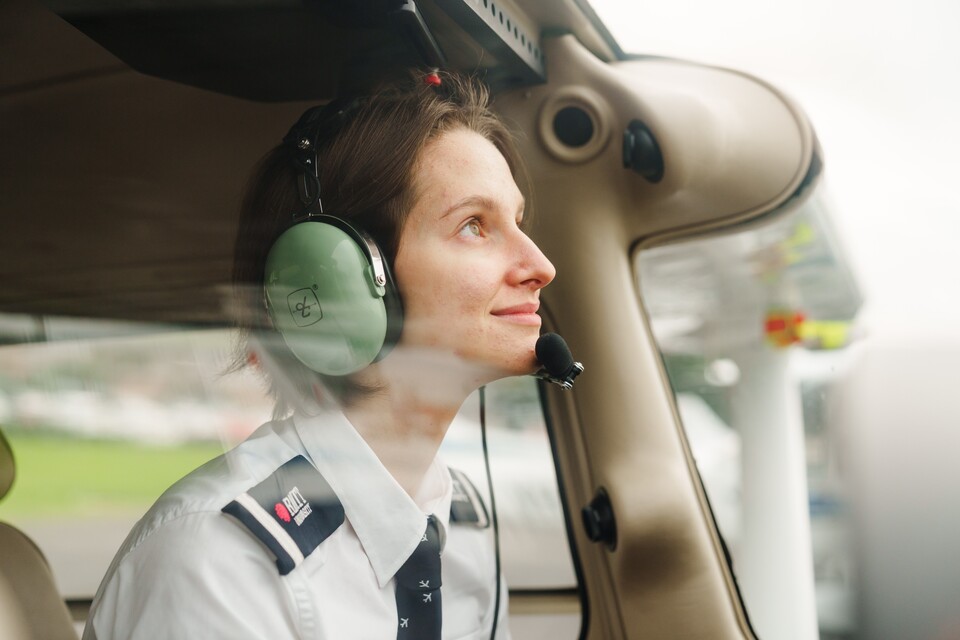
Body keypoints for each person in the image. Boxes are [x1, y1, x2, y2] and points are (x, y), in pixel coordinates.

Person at [83, 69, 555, 639]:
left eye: (518, 222)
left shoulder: (461, 525)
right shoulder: (221, 562)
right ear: (339, 282)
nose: (540, 267)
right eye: (474, 226)